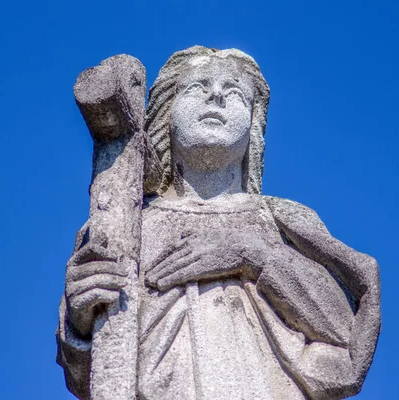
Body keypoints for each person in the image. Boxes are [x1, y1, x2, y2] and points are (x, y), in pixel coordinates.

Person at [57, 47, 381, 400]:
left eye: (235, 93)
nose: (216, 97)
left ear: (253, 125)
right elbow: (85, 372)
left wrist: (254, 256)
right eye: (197, 88)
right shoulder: (123, 225)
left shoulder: (280, 221)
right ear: (167, 113)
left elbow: (344, 338)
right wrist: (80, 320)